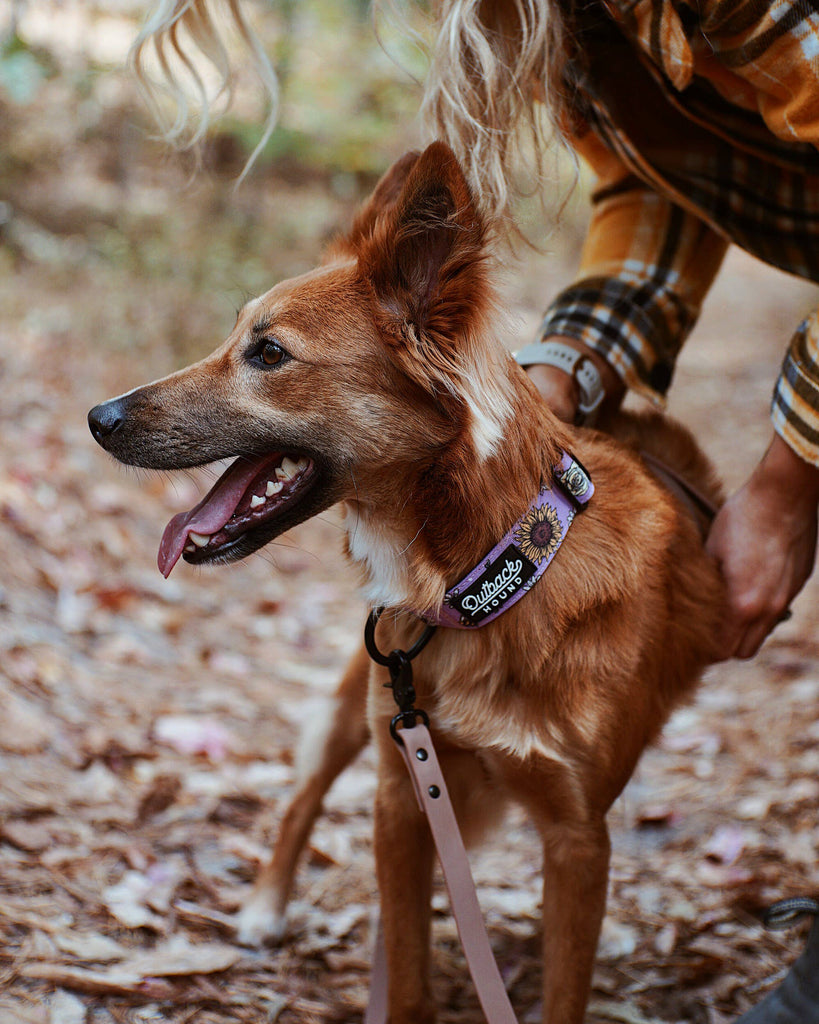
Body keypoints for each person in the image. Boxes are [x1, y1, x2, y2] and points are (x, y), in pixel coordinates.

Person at [132, 1, 819, 1018]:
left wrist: (790, 474)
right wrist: (572, 362)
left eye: (268, 358)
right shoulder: (587, 41)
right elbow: (664, 181)